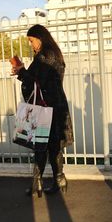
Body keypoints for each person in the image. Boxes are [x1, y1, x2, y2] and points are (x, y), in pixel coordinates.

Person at [11, 24, 74, 198]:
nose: (31, 44)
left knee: (41, 146)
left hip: (45, 108)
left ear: (40, 37)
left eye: (32, 40)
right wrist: (23, 72)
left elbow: (39, 82)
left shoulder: (45, 56)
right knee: (53, 146)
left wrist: (22, 71)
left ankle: (37, 183)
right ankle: (58, 180)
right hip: (55, 107)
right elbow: (41, 80)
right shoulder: (53, 54)